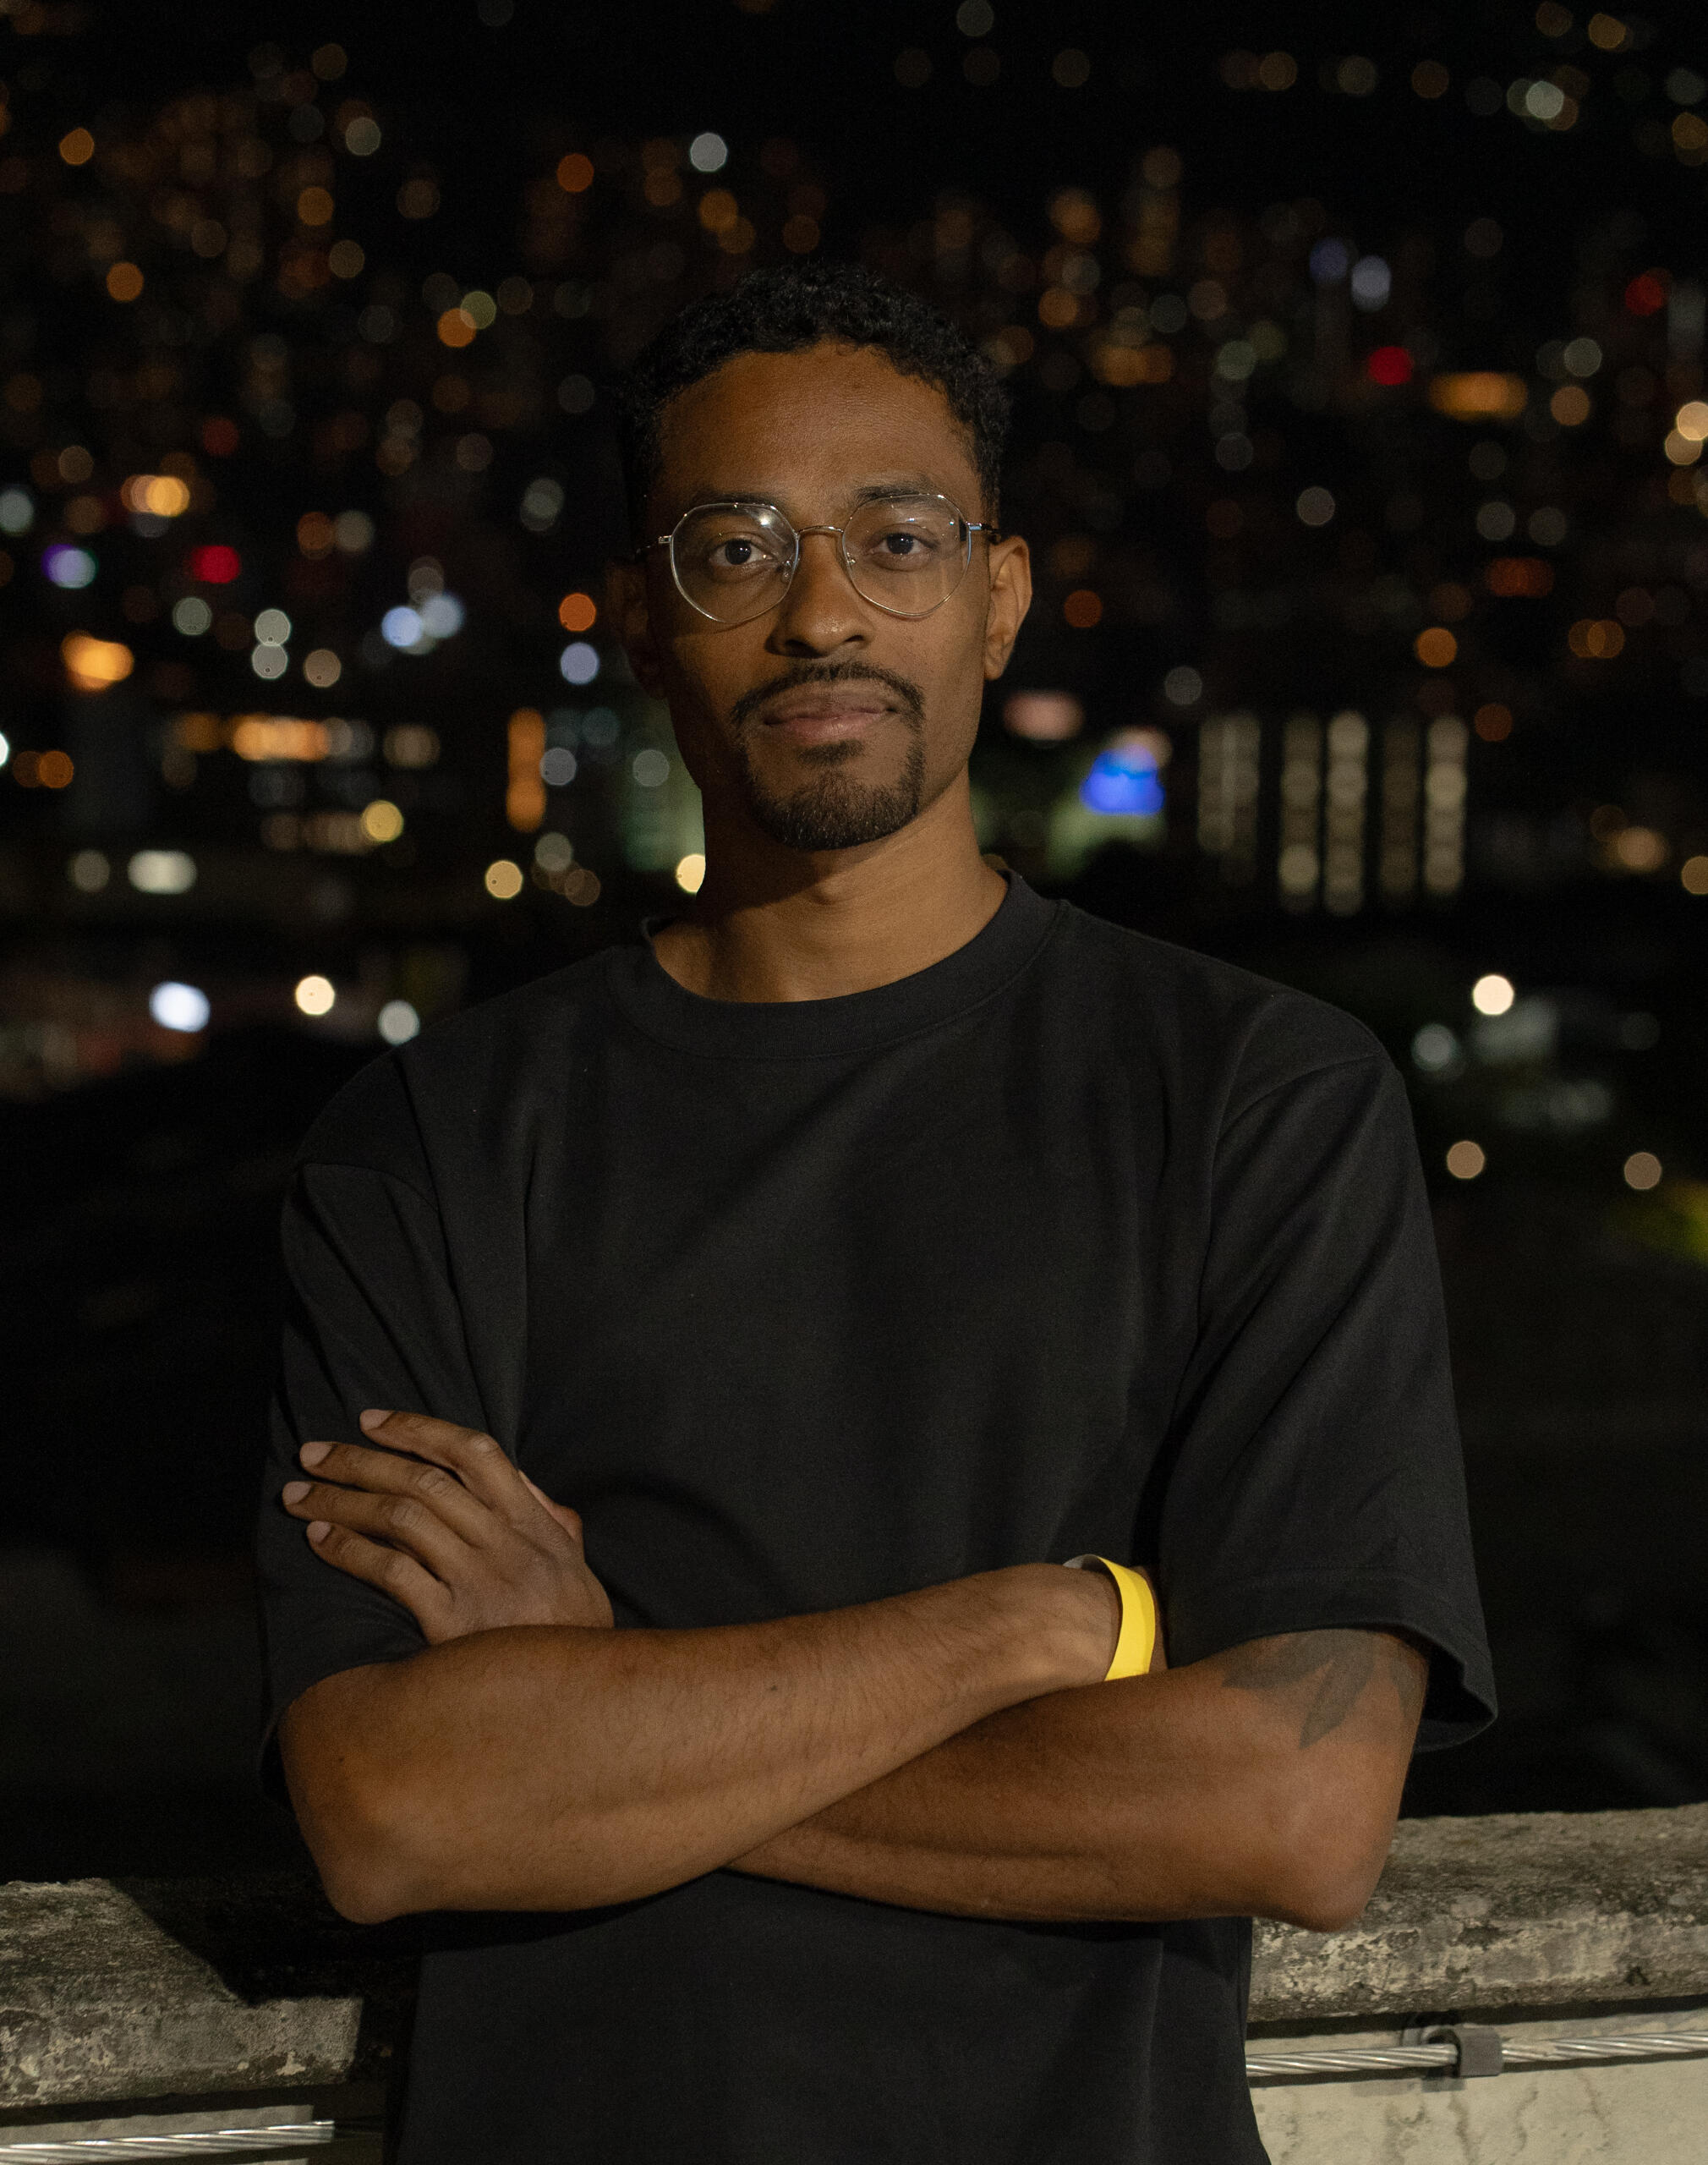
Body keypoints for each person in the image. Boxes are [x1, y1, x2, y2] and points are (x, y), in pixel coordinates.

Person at [259, 261, 1494, 2164]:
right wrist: (1035, 1623)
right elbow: (395, 1811)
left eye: (898, 539)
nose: (823, 609)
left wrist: (602, 1709)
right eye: (734, 548)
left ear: (999, 596)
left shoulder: (1256, 1098)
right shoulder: (434, 1140)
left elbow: (1290, 1805)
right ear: (640, 619)